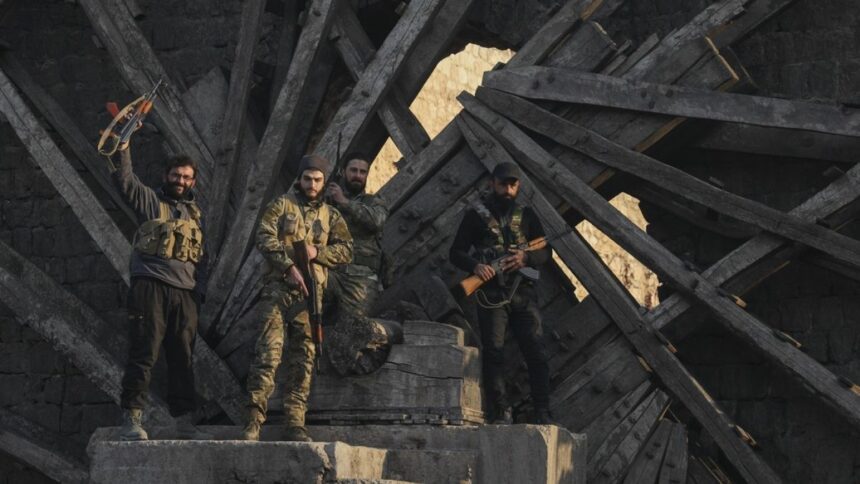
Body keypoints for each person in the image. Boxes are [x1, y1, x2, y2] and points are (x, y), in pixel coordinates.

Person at [242, 154, 353, 442]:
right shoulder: (282, 205)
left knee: (303, 359)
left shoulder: (331, 216)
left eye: (317, 180)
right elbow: (264, 236)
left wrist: (319, 254)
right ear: (300, 178)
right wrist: (288, 266)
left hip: (311, 297)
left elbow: (347, 250)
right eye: (307, 179)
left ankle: (295, 423)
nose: (312, 184)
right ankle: (254, 421)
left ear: (324, 181)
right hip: (279, 290)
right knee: (268, 355)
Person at [114, 142, 209, 441]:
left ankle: (183, 422)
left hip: (184, 292)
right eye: (176, 175)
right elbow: (126, 181)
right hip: (150, 286)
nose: (180, 181)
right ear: (166, 175)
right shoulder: (152, 202)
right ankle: (132, 418)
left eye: (186, 177)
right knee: (145, 352)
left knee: (183, 356)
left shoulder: (194, 213)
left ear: (193, 181)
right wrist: (125, 147)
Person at [449, 162, 552, 424]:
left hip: (523, 293)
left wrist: (525, 258)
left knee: (536, 352)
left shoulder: (527, 215)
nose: (508, 189)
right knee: (494, 353)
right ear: (492, 183)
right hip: (492, 295)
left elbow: (545, 251)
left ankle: (542, 410)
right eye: (504, 183)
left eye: (513, 184)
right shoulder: (475, 216)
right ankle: (501, 411)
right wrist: (476, 266)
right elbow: (456, 252)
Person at [324, 152, 388, 324]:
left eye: (362, 172)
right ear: (343, 172)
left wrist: (344, 202)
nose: (357, 176)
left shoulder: (374, 202)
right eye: (353, 170)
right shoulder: (328, 201)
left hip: (361, 279)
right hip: (330, 272)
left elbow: (376, 221)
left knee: (352, 329)